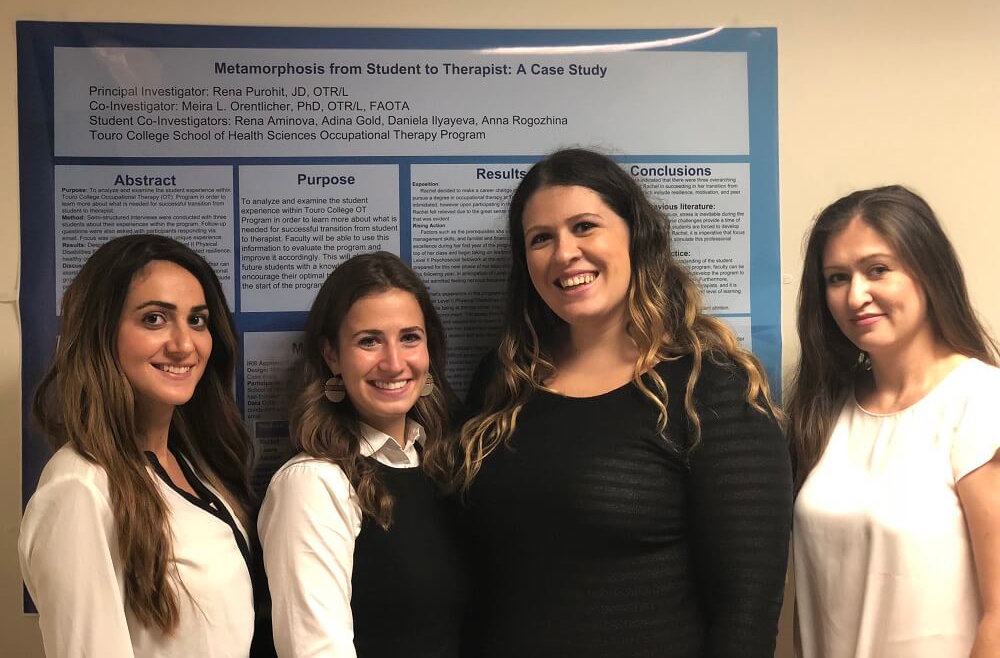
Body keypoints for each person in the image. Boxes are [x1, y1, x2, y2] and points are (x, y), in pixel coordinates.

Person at [454, 148, 793, 658]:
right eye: (541, 238)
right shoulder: (502, 383)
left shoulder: (714, 388)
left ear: (635, 234)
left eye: (585, 226)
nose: (564, 252)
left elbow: (745, 617)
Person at [19, 234, 257, 658]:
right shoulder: (79, 490)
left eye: (197, 320)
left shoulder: (194, 463)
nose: (185, 344)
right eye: (154, 319)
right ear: (102, 333)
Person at [788, 185, 1000, 658]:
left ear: (928, 271)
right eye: (837, 278)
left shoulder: (982, 402)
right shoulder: (824, 410)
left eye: (877, 270)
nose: (856, 295)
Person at [258, 252, 467, 658]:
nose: (393, 363)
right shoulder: (314, 483)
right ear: (332, 355)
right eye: (369, 341)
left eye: (410, 337)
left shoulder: (438, 464)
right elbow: (315, 650)